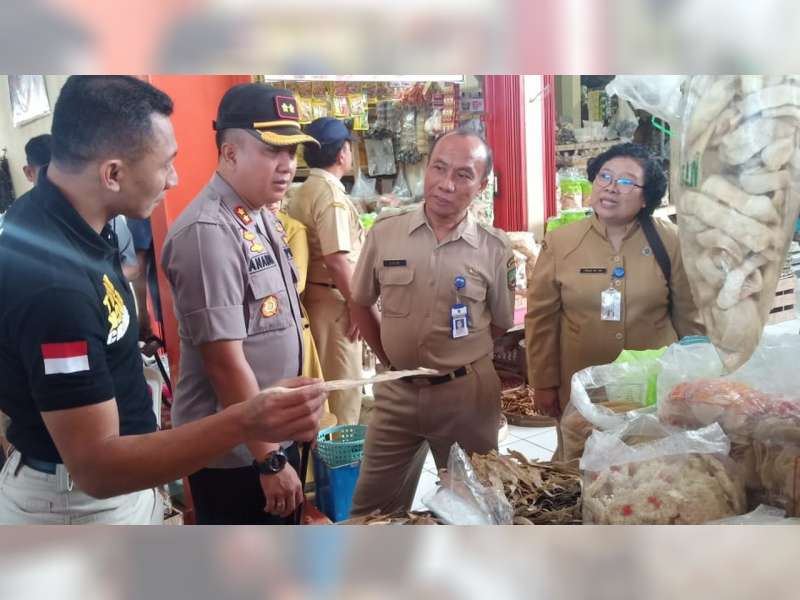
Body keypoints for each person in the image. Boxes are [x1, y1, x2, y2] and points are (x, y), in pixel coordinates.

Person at [0, 75, 326, 525]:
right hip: (82, 503)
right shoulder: (54, 282)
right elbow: (96, 466)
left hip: (110, 485)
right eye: (166, 164)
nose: (174, 179)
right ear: (112, 173)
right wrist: (250, 422)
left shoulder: (69, 226)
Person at [161, 83, 323, 525]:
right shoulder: (208, 231)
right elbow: (224, 362)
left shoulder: (258, 215)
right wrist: (268, 460)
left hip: (270, 437)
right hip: (237, 457)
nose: (287, 164)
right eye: (273, 150)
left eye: (293, 151)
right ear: (230, 153)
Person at [348, 129, 515, 516]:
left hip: (466, 399)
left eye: (462, 174)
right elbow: (360, 303)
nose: (445, 184)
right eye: (438, 168)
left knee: (475, 510)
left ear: (482, 185)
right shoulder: (386, 233)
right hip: (396, 394)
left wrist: (458, 359)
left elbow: (499, 324)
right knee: (371, 510)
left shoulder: (494, 247)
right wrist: (390, 360)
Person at [525, 142, 704, 458]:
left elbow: (689, 314)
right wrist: (543, 383)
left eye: (625, 181)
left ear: (646, 196)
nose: (610, 187)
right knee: (579, 465)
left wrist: (695, 379)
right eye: (604, 176)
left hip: (651, 387)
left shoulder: (670, 240)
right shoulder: (561, 241)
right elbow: (541, 319)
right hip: (582, 388)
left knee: (646, 468)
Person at [286, 118, 365, 425]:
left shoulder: (305, 189)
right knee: (342, 395)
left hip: (316, 301)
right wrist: (359, 307)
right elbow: (337, 261)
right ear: (342, 153)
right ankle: (341, 468)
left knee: (323, 391)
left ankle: (326, 466)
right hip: (334, 304)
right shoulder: (330, 195)